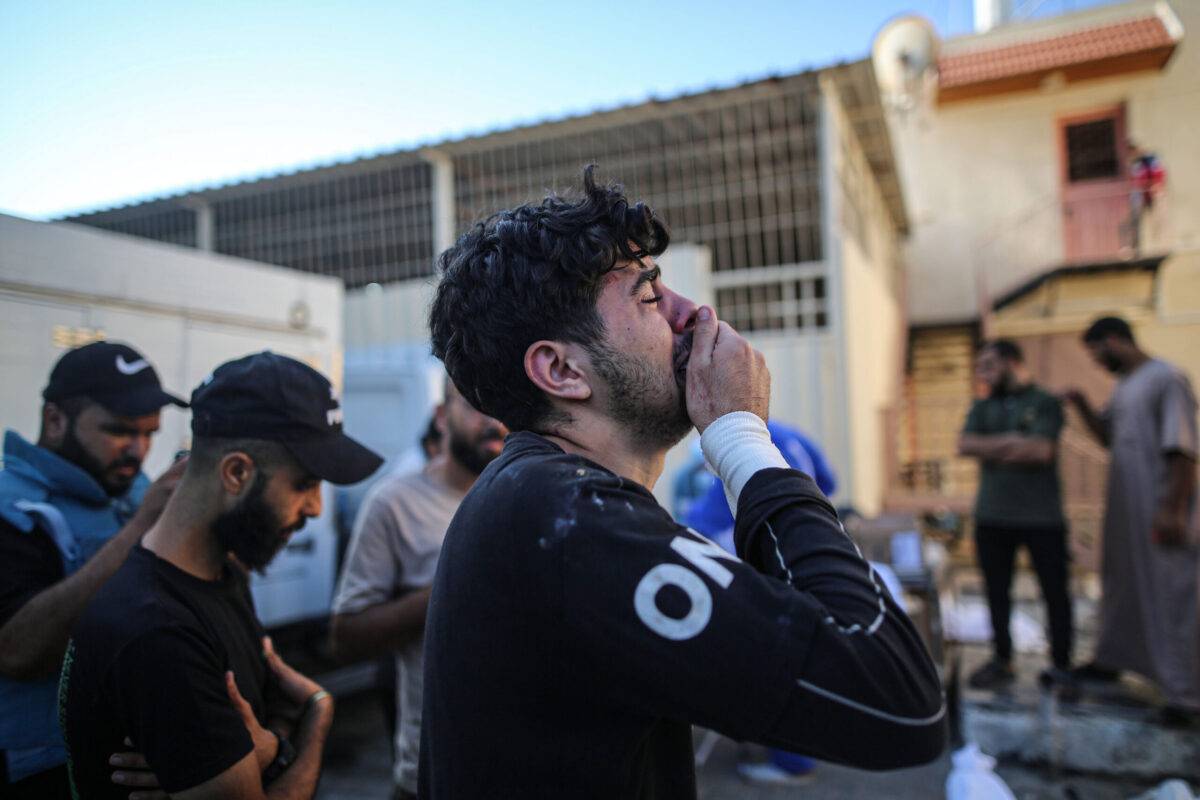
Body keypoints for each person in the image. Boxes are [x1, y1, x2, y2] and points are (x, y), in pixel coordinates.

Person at [419, 166, 947, 798]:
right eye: (648, 298)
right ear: (561, 370)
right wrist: (741, 438)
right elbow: (896, 694)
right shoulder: (561, 517)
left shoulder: (547, 498)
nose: (692, 314)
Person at [60, 352, 384, 798]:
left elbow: (268, 708)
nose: (315, 508)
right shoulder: (158, 630)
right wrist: (316, 719)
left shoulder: (223, 574)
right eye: (305, 483)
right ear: (236, 472)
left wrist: (267, 749)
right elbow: (277, 727)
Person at [0, 341, 187, 798]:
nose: (138, 451)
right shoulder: (11, 505)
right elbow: (18, 651)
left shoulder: (125, 486)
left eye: (150, 434)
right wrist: (141, 527)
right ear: (56, 420)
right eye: (120, 432)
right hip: (39, 772)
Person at [331, 378, 507, 800]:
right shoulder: (394, 503)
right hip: (432, 774)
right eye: (478, 404)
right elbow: (345, 637)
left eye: (505, 405)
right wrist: (451, 585)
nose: (495, 421)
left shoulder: (538, 497)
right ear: (442, 417)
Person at [1063, 316, 1199, 725]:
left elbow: (1182, 449)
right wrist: (1082, 405)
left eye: (1098, 353)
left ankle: (1185, 696)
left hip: (1158, 507)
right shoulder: (1126, 386)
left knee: (1172, 597)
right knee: (1124, 588)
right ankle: (1114, 659)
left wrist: (1173, 508)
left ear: (1115, 341)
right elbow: (1107, 437)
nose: (1098, 363)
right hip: (1126, 511)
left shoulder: (1167, 379)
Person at [686, 420, 836, 786]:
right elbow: (829, 484)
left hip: (760, 568)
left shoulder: (728, 445)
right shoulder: (788, 433)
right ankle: (796, 751)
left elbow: (705, 523)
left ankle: (792, 760)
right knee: (798, 654)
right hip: (802, 553)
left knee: (773, 661)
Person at [957, 340, 1073, 693]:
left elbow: (1041, 451)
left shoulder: (1044, 402)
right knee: (996, 591)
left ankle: (1062, 664)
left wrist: (993, 447)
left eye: (989, 365)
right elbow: (965, 445)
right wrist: (1015, 442)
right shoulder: (983, 406)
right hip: (993, 515)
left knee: (1054, 592)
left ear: (1011, 362)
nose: (983, 373)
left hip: (1042, 518)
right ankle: (1002, 658)